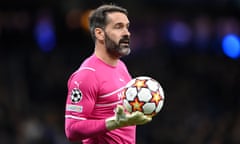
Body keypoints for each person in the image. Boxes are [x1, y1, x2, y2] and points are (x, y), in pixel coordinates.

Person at [64, 4, 152, 144]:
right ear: (100, 33)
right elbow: (72, 130)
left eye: (127, 27)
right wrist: (114, 123)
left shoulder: (121, 66)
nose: (127, 33)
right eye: (118, 27)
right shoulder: (87, 75)